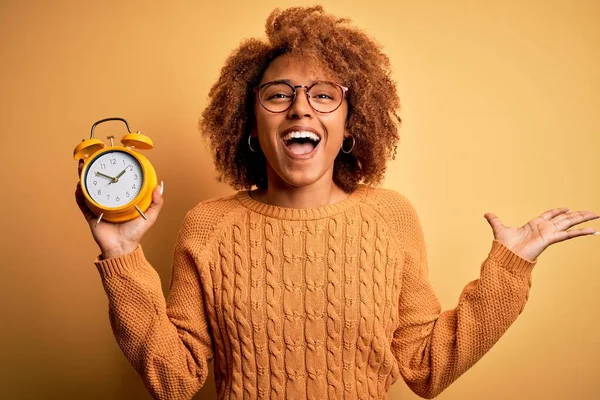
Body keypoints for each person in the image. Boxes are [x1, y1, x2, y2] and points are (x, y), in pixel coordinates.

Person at [75, 6, 598, 400]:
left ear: (350, 123)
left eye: (324, 95)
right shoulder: (208, 226)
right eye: (278, 94)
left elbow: (425, 367)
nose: (300, 107)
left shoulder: (390, 216)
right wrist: (122, 259)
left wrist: (510, 269)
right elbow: (173, 379)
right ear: (249, 124)